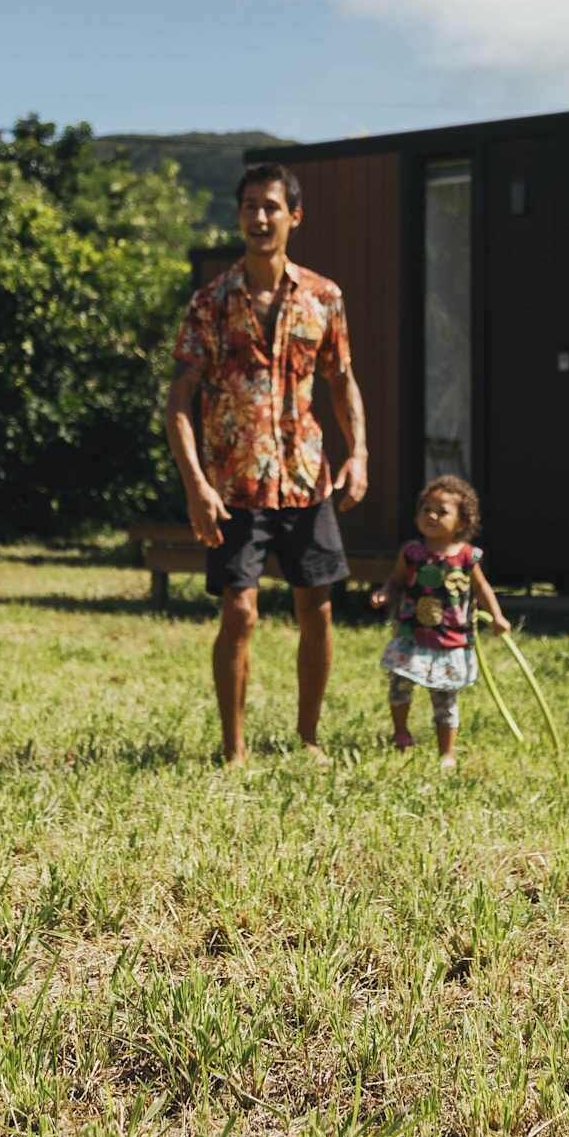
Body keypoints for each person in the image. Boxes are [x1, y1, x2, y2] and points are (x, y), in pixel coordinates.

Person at [166, 162, 368, 764]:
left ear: (294, 216)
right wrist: (197, 485)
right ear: (239, 216)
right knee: (240, 610)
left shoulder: (324, 298)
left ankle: (309, 741)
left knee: (318, 607)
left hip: (308, 477)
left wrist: (358, 453)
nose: (259, 217)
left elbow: (342, 380)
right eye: (250, 206)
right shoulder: (211, 303)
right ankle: (234, 751)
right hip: (235, 482)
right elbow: (179, 402)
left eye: (271, 207)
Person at [371, 475, 508, 768]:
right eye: (426, 509)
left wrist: (497, 616)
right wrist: (385, 593)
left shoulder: (468, 557)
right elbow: (396, 581)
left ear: (461, 522)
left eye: (442, 511)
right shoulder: (411, 553)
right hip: (412, 636)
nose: (431, 515)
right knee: (399, 686)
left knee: (445, 699)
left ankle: (446, 752)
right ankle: (400, 733)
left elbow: (482, 589)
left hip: (450, 641)